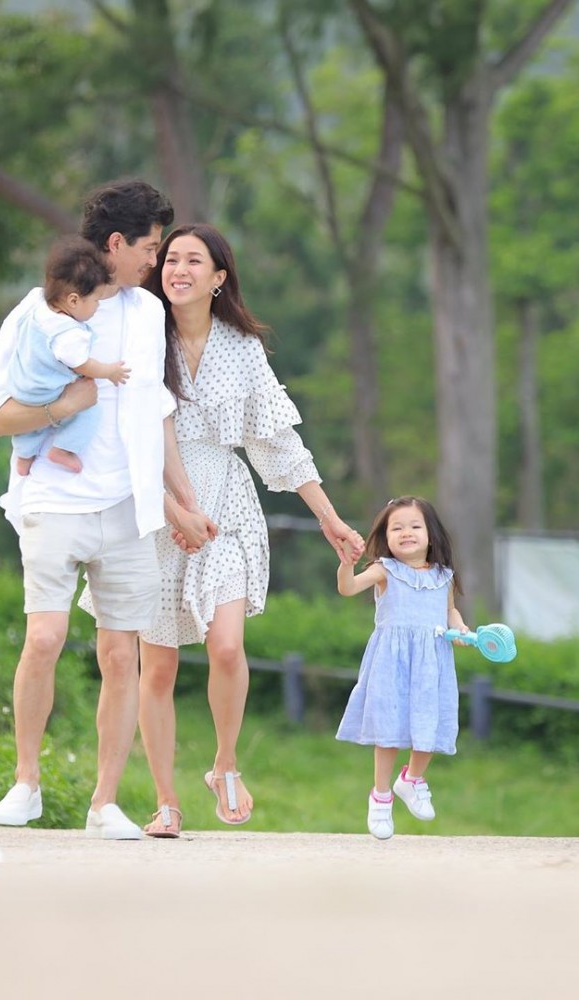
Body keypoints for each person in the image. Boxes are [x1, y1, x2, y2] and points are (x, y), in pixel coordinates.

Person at [81, 222, 363, 838]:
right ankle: (166, 801)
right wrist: (172, 507)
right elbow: (120, 431)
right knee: (157, 669)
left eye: (193, 261)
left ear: (218, 277)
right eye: (170, 259)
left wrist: (330, 518)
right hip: (152, 507)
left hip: (227, 507)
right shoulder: (141, 336)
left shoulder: (243, 347)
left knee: (228, 647)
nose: (177, 269)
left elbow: (277, 442)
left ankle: (225, 764)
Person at [0, 179, 216, 840]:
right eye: (149, 247)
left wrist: (182, 503)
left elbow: (155, 414)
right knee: (45, 638)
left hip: (128, 512)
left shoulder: (146, 314)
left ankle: (103, 803)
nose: (156, 260)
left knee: (121, 655)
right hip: (54, 500)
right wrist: (65, 406)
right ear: (116, 243)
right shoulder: (36, 311)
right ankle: (26, 783)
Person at [335, 496, 468, 840]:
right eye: (396, 528)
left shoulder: (444, 576)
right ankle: (381, 797)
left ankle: (411, 779)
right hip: (391, 665)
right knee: (389, 730)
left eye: (414, 526)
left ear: (431, 534)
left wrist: (460, 628)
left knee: (429, 723)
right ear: (386, 537)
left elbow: (449, 611)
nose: (406, 532)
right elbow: (348, 588)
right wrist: (346, 564)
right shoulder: (385, 570)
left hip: (432, 664)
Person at [8, 235, 128, 477]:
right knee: (90, 412)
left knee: (30, 430)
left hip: (21, 387)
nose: (97, 307)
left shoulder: (38, 311)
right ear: (73, 300)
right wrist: (109, 371)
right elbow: (82, 365)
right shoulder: (69, 333)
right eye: (95, 300)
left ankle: (24, 456)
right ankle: (63, 449)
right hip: (46, 391)